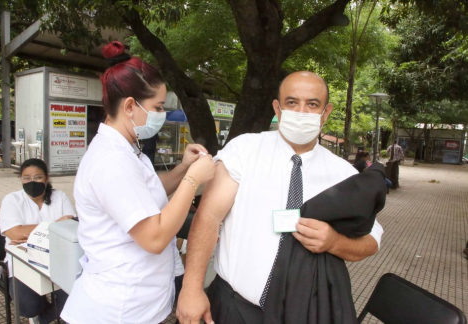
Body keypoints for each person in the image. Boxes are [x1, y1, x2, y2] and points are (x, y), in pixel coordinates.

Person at [177, 71, 384, 324]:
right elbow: (208, 217)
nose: (301, 112)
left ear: (325, 112)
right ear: (277, 107)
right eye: (292, 102)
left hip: (303, 314)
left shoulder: (344, 175)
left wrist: (334, 242)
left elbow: (372, 239)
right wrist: (191, 288)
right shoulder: (244, 150)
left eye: (312, 104)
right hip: (235, 308)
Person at [60, 41, 216, 324]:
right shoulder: (111, 161)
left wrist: (183, 168)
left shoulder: (127, 148)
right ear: (130, 105)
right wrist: (193, 180)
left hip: (137, 302)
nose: (162, 114)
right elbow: (154, 238)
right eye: (157, 107)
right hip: (118, 309)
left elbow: (148, 190)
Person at [0, 158, 75, 324]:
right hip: (21, 261)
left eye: (37, 177)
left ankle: (44, 318)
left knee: (73, 296)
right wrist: (55, 226)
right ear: (21, 179)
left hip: (57, 259)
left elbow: (70, 227)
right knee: (28, 307)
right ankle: (44, 312)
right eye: (26, 178)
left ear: (46, 178)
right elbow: (15, 233)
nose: (32, 182)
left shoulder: (59, 197)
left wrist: (29, 231)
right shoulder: (12, 200)